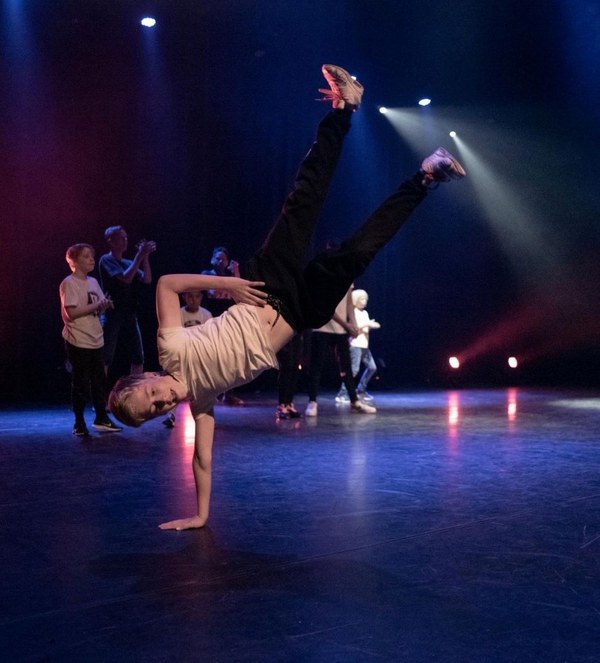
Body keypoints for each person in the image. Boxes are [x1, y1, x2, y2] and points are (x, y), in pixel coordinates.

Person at [108, 64, 466, 530]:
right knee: (360, 251)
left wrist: (234, 286)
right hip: (300, 313)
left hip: (263, 288)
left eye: (152, 396)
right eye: (156, 412)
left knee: (305, 199)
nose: (161, 403)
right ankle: (426, 177)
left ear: (149, 378)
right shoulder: (202, 399)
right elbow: (202, 460)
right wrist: (199, 515)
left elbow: (166, 285)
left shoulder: (171, 349)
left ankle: (343, 108)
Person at [59, 243, 122, 436]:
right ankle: (79, 422)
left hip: (96, 338)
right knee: (80, 383)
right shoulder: (69, 283)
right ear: (74, 262)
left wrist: (105, 305)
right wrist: (95, 306)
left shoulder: (93, 282)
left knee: (99, 381)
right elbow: (70, 314)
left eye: (92, 256)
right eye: (86, 256)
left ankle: (101, 418)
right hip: (78, 340)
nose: (92, 259)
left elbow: (97, 305)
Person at [305, 283, 375, 416]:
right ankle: (312, 402)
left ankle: (354, 401)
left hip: (341, 330)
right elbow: (326, 307)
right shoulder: (325, 273)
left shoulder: (348, 276)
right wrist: (346, 325)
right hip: (321, 327)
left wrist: (353, 324)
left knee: (346, 367)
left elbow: (349, 304)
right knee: (316, 366)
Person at [99, 226, 156, 377]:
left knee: (138, 355)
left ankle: (134, 393)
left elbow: (147, 279)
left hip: (129, 312)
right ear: (111, 241)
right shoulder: (106, 260)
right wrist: (139, 256)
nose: (125, 241)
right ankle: (99, 397)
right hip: (112, 313)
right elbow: (125, 279)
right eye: (121, 238)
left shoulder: (127, 262)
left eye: (126, 238)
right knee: (106, 356)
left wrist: (145, 257)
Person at [201, 246, 245, 406]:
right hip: (209, 323)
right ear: (212, 259)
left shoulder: (230, 277)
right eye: (217, 258)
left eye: (223, 259)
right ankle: (209, 393)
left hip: (227, 323)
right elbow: (208, 292)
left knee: (230, 359)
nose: (220, 261)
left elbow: (240, 291)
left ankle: (228, 394)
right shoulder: (205, 275)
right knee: (211, 359)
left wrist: (236, 271)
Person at [163, 290, 213, 428]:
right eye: (190, 296)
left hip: (200, 356)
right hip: (184, 355)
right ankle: (171, 414)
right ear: (184, 297)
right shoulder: (179, 314)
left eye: (197, 296)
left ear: (201, 298)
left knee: (203, 389)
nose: (193, 300)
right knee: (175, 386)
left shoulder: (206, 314)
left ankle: (204, 417)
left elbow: (209, 336)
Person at [336, 288, 380, 403]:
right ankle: (342, 394)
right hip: (355, 345)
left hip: (364, 345)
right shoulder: (353, 312)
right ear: (356, 300)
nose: (365, 301)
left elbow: (365, 327)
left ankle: (360, 390)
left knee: (372, 368)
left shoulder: (365, 313)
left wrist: (371, 325)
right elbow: (355, 327)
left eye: (366, 299)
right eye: (362, 299)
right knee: (353, 370)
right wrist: (367, 323)